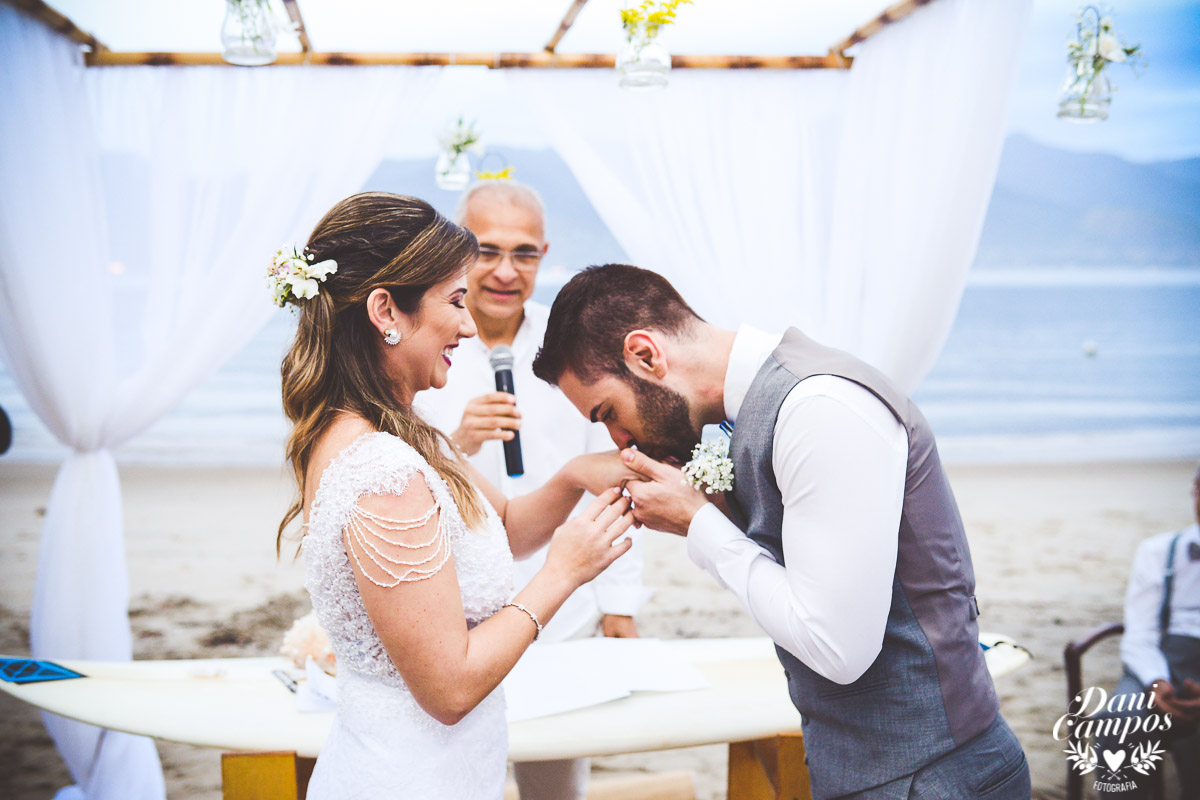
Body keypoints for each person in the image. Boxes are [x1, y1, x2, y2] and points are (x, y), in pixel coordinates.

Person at [531, 264, 1030, 800]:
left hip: (932, 776)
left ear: (645, 355)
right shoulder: (757, 409)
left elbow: (836, 648)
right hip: (872, 769)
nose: (619, 438)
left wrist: (698, 523)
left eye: (608, 412)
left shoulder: (819, 410)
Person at [276, 193, 637, 799]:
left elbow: (506, 527)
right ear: (385, 310)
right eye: (454, 300)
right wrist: (564, 571)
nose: (469, 326)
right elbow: (449, 688)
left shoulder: (389, 429)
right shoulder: (383, 471)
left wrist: (576, 475)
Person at [414, 181, 651, 800]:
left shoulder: (576, 346)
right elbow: (400, 475)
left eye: (523, 253)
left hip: (566, 610)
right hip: (458, 616)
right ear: (459, 253)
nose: (505, 271)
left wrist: (619, 603)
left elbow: (617, 473)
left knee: (558, 788)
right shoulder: (427, 346)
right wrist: (459, 443)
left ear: (543, 255)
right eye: (488, 252)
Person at [1096, 463, 1200, 798]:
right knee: (1119, 721)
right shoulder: (1159, 551)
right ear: (1194, 491)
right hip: (1161, 660)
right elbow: (1140, 633)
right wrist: (1157, 681)